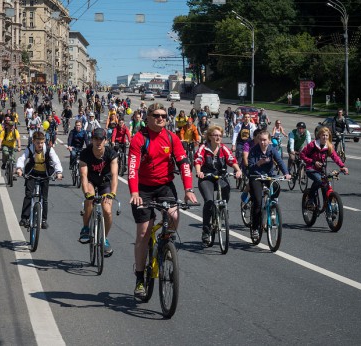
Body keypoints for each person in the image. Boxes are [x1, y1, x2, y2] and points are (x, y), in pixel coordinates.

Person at [128, 103, 197, 299]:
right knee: (143, 231)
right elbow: (132, 168)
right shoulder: (139, 139)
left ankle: (166, 241)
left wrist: (188, 189)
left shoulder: (171, 137)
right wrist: (134, 192)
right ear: (147, 117)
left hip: (165, 185)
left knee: (174, 215)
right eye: (156, 115)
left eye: (164, 116)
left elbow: (184, 164)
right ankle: (140, 278)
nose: (161, 119)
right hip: (143, 188)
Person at [194, 125, 242, 245]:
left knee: (225, 193)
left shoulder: (223, 148)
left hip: (220, 176)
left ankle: (221, 212)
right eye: (215, 135)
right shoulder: (203, 148)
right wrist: (199, 171)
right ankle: (206, 231)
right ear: (210, 136)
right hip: (206, 177)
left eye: (220, 136)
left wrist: (238, 170)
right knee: (209, 202)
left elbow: (231, 159)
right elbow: (198, 160)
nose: (218, 137)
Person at [78, 128, 118, 257]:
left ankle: (104, 238)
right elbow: (83, 175)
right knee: (89, 198)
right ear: (92, 140)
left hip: (105, 183)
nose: (98, 142)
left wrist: (112, 193)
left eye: (101, 139)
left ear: (105, 140)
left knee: (107, 211)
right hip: (91, 180)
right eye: (96, 139)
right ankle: (85, 227)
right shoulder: (85, 153)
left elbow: (114, 175)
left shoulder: (111, 154)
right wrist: (86, 192)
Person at [247, 130, 290, 241]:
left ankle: (272, 206)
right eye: (261, 140)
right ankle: (255, 228)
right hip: (256, 176)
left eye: (265, 140)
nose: (263, 142)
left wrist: (286, 173)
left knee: (276, 186)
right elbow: (250, 167)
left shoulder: (272, 150)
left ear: (269, 140)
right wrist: (258, 163)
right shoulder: (253, 150)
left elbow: (280, 161)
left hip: (268, 176)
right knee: (257, 202)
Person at [15, 131, 63, 229]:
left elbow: (56, 160)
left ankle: (43, 220)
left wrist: (59, 172)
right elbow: (22, 158)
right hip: (32, 173)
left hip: (45, 174)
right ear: (33, 142)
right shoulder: (30, 149)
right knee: (28, 195)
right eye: (37, 143)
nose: (40, 145)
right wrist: (19, 168)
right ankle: (24, 218)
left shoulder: (49, 149)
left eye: (41, 142)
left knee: (44, 199)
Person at [301, 127, 349, 209]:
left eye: (327, 135)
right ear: (319, 135)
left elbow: (335, 157)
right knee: (320, 180)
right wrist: (313, 162)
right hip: (311, 169)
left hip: (321, 170)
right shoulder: (312, 145)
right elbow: (302, 155)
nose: (325, 137)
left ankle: (327, 204)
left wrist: (342, 166)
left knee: (326, 182)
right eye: (323, 135)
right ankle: (311, 199)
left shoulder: (329, 146)